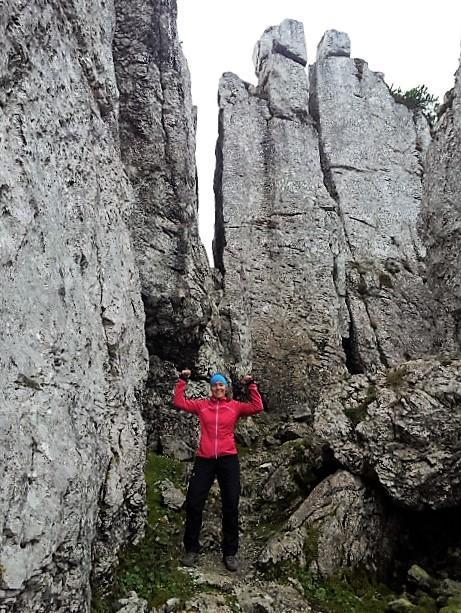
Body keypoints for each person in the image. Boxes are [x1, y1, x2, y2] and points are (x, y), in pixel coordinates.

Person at [173, 369, 263, 571]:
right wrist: (182, 381)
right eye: (214, 385)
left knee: (231, 505)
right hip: (204, 459)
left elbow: (258, 407)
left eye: (221, 385)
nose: (218, 388)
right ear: (211, 388)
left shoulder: (234, 407)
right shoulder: (202, 405)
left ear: (226, 388)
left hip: (228, 459)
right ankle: (191, 549)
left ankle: (230, 553)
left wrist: (251, 386)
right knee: (194, 503)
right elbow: (179, 402)